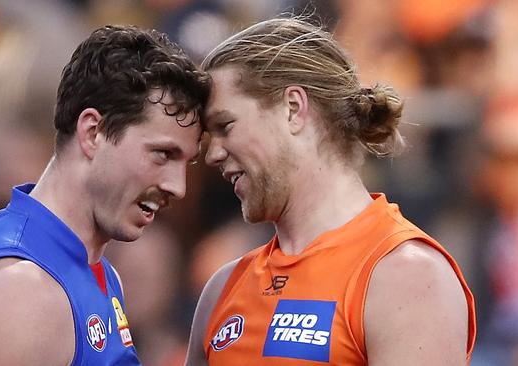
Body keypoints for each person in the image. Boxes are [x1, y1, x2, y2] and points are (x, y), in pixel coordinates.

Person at [186, 17, 476, 365]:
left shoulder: (406, 277)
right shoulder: (222, 288)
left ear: (293, 109)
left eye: (225, 126)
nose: (213, 153)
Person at [0, 25, 210, 365]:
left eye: (185, 162)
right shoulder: (22, 292)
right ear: (93, 132)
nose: (178, 186)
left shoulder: (92, 268)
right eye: (162, 154)